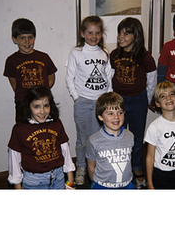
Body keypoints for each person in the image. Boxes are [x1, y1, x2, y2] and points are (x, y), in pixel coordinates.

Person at [109, 17, 157, 189]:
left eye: (126, 33)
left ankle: (137, 169)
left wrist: (149, 100)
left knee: (137, 139)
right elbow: (109, 77)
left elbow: (151, 81)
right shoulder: (114, 54)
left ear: (136, 36)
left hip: (138, 101)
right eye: (120, 33)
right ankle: (121, 169)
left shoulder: (145, 57)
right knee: (119, 137)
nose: (121, 37)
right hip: (118, 102)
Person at [65, 16, 112, 186]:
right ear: (82, 34)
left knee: (99, 136)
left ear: (101, 34)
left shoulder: (104, 53)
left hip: (101, 102)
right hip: (83, 102)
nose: (94, 36)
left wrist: (109, 95)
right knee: (83, 139)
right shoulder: (76, 53)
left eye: (97, 33)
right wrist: (76, 97)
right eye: (90, 33)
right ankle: (81, 167)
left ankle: (98, 165)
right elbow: (69, 78)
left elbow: (109, 76)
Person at [7, 85, 75, 189]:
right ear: (28, 106)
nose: (42, 111)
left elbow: (65, 151)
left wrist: (70, 181)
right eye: (36, 106)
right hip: (34, 182)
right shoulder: (19, 129)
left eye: (46, 106)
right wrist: (18, 187)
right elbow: (14, 160)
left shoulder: (56, 124)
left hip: (58, 178)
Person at [3, 18, 57, 122]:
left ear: (34, 38)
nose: (27, 42)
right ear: (14, 39)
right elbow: (15, 85)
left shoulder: (44, 57)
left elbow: (51, 78)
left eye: (30, 37)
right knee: (24, 131)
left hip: (43, 103)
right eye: (22, 38)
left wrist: (40, 94)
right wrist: (28, 97)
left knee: (46, 129)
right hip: (22, 103)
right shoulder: (11, 60)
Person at [85, 92, 135, 189]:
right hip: (102, 187)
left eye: (120, 112)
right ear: (100, 117)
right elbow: (91, 167)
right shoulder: (94, 140)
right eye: (110, 113)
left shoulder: (130, 136)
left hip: (127, 185)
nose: (116, 117)